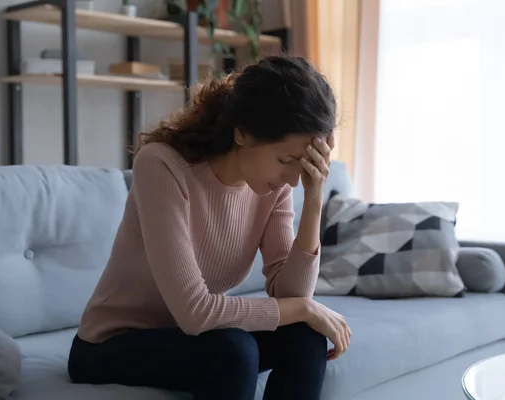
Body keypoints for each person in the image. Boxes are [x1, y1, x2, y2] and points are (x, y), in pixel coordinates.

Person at [67, 55, 352, 400]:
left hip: (192, 340)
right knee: (234, 350)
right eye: (286, 160)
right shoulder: (162, 166)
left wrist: (314, 196)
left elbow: (290, 297)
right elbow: (195, 313)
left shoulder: (272, 186)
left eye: (304, 164)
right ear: (242, 133)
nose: (293, 179)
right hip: (110, 345)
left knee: (305, 337)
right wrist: (305, 309)